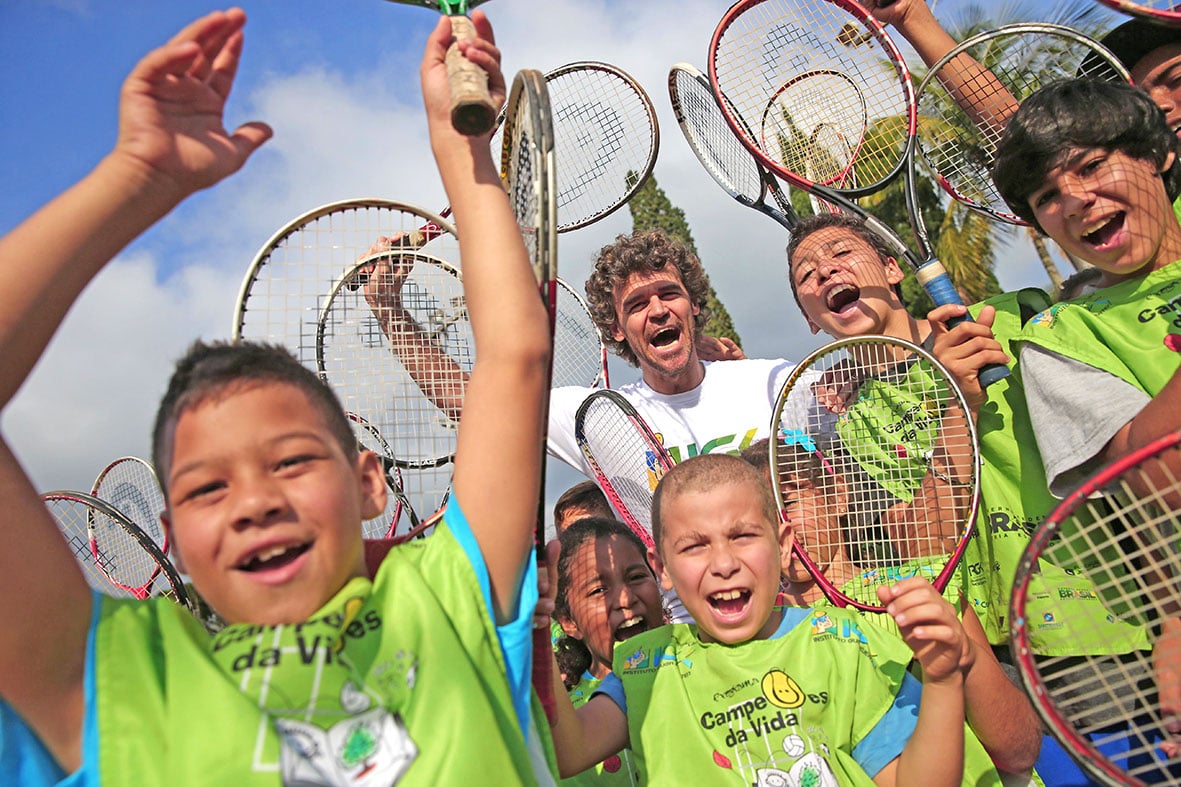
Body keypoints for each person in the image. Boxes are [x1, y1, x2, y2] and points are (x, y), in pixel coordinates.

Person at [0, 8, 557, 783]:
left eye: (291, 461)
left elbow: (513, 352)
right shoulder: (122, 681)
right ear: (172, 533)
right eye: (207, 487)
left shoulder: (445, 596)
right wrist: (135, 179)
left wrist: (459, 143)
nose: (254, 501)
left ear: (367, 481)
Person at [547, 453, 1003, 785]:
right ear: (661, 567)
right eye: (694, 545)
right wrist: (527, 627)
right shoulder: (643, 666)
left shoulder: (844, 643)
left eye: (743, 535)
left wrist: (943, 682)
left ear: (783, 544)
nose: (723, 563)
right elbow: (567, 752)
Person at [993, 77, 1181, 764]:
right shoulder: (1057, 338)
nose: (1073, 198)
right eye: (1045, 197)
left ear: (1156, 152)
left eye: (1090, 164)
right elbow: (1154, 474)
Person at [546, 230, 799, 478]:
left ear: (694, 304)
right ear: (617, 328)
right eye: (637, 304)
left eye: (669, 294)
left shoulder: (772, 382)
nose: (658, 310)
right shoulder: (596, 419)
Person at [552, 517, 663, 785]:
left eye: (637, 577)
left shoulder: (692, 661)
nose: (625, 599)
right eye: (599, 590)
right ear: (568, 622)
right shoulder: (567, 715)